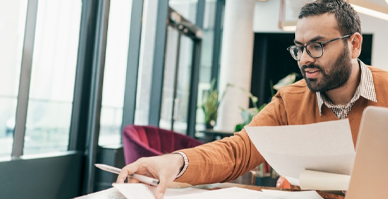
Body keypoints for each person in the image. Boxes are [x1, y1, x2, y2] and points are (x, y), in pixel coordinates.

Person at [117, 0, 388, 198]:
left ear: (354, 44)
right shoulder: (290, 100)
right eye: (299, 48)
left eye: (317, 46)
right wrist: (175, 161)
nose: (304, 59)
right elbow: (239, 150)